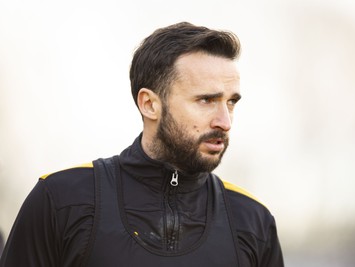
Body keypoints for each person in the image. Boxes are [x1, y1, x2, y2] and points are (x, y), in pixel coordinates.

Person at [0, 22, 284, 267]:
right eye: (206, 100)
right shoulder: (62, 201)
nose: (225, 121)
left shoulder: (252, 221)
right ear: (149, 104)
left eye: (231, 102)